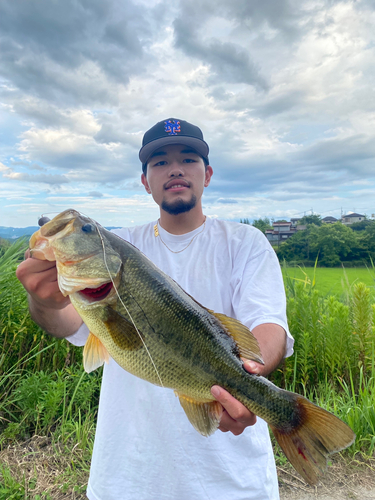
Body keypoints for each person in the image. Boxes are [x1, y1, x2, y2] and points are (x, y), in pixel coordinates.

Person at [16, 118, 294, 500]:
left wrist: (250, 385)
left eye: (189, 158)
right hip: (127, 479)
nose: (175, 168)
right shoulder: (122, 244)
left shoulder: (246, 242)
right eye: (160, 161)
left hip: (232, 484)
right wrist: (43, 300)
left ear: (207, 174)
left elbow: (268, 326)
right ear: (146, 181)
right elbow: (65, 323)